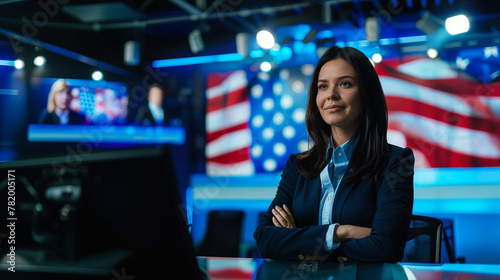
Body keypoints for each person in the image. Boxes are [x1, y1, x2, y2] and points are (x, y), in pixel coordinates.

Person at [253, 46, 415, 263]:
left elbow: (386, 246)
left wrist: (300, 241)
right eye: (323, 86)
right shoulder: (297, 166)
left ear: (367, 93)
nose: (331, 94)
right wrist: (342, 232)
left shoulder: (394, 162)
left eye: (345, 84)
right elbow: (265, 239)